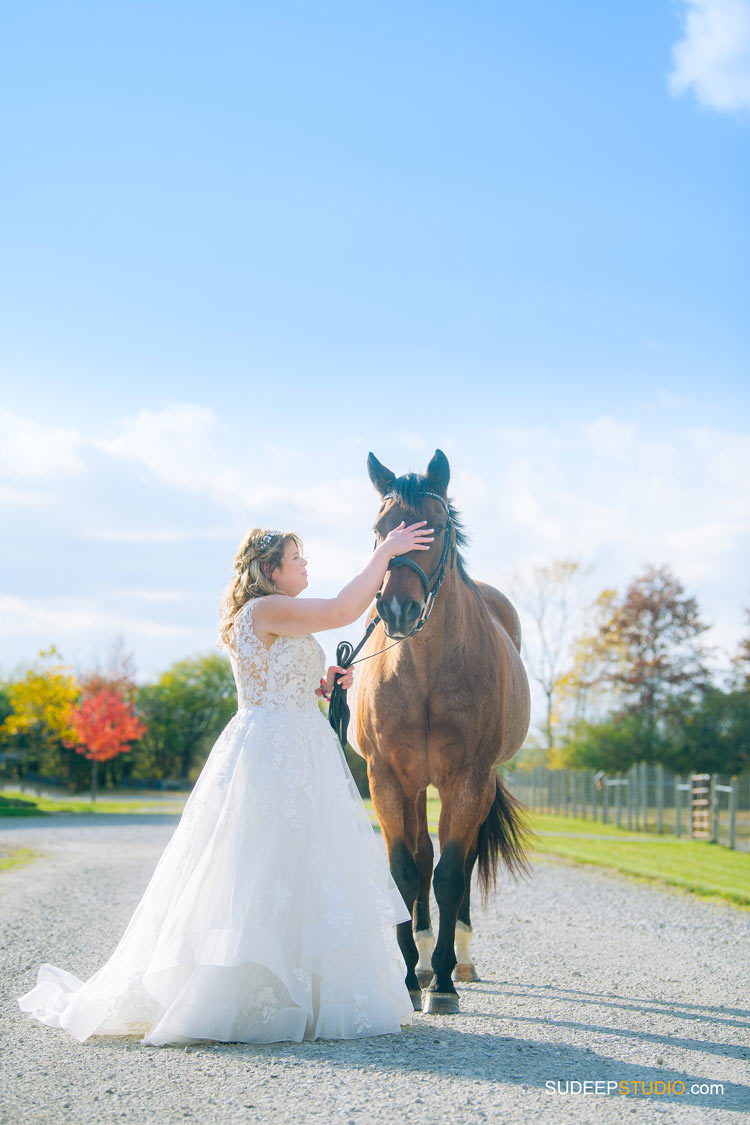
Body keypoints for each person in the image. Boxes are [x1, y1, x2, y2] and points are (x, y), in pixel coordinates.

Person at [18, 518, 433, 1045]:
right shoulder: (265, 609)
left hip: (286, 742)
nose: (306, 564)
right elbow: (342, 611)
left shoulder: (267, 615)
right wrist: (389, 553)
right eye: (296, 558)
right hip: (277, 750)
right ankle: (250, 994)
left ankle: (295, 991)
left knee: (289, 864)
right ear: (270, 571)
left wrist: (320, 686)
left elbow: (277, 685)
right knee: (268, 865)